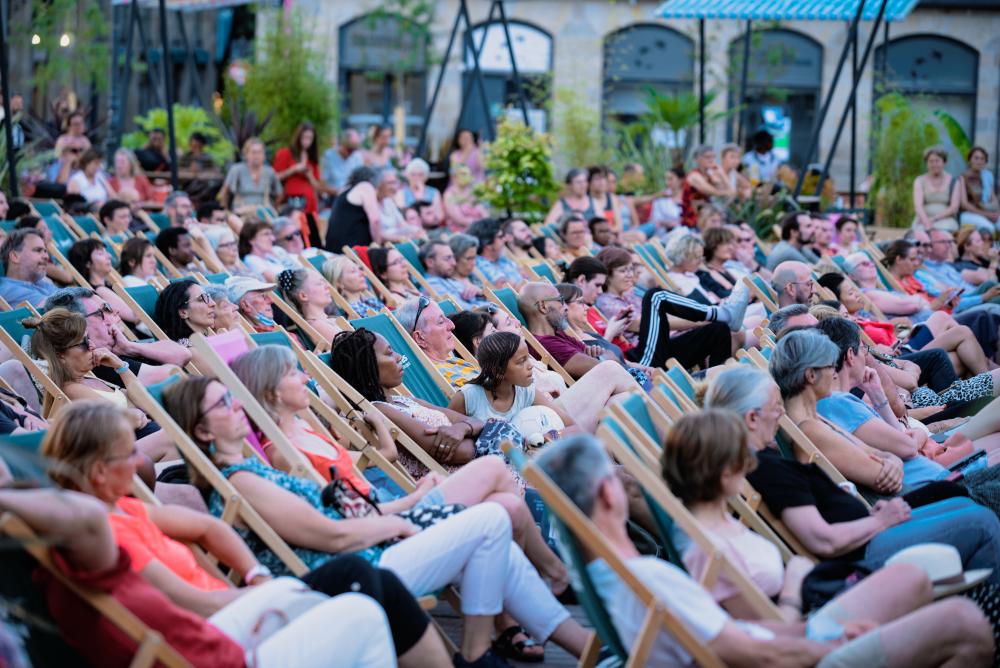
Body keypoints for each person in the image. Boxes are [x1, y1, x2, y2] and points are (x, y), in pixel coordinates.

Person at [164, 370, 589, 666]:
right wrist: (396, 523)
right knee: (491, 521)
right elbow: (330, 537)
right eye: (223, 403)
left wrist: (400, 513)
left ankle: (585, 647)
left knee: (493, 539)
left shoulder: (255, 470)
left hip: (373, 547)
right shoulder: (243, 480)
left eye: (232, 396)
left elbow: (337, 518)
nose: (236, 405)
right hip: (360, 568)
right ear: (203, 431)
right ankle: (478, 654)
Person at [537, 432, 994, 668]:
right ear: (608, 493)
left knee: (908, 576)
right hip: (788, 661)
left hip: (782, 642)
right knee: (963, 620)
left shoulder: (611, 575)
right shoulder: (649, 580)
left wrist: (802, 629)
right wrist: (827, 641)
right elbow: (759, 657)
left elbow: (736, 635)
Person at [44, 399, 447, 666]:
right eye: (129, 452)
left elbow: (208, 526)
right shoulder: (108, 536)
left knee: (368, 583)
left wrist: (256, 574)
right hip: (216, 629)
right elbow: (197, 604)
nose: (141, 460)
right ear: (99, 472)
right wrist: (273, 592)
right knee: (357, 589)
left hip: (234, 607)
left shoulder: (125, 508)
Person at [0, 484, 401, 668]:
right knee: (360, 613)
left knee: (293, 589)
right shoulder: (79, 556)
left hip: (191, 637)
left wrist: (255, 575)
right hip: (201, 654)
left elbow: (208, 529)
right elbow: (88, 517)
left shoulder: (47, 566)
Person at [704, 362, 1000, 586]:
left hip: (867, 530)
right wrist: (878, 521)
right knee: (981, 521)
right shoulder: (764, 468)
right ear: (752, 418)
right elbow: (823, 541)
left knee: (965, 503)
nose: (781, 414)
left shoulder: (762, 460)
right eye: (774, 408)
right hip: (862, 553)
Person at [662, 410, 937, 623]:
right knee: (925, 581)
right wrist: (793, 580)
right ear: (725, 472)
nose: (750, 463)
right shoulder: (704, 547)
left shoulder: (721, 520)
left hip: (820, 594)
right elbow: (769, 635)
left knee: (921, 576)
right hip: (812, 619)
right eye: (742, 457)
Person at [22, 308, 176, 462]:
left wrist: (120, 366)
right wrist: (135, 413)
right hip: (121, 456)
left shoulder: (88, 378)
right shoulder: (71, 390)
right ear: (60, 355)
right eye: (84, 342)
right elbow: (129, 419)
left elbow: (145, 404)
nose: (93, 345)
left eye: (89, 338)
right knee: (172, 439)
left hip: (143, 442)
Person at [589, 248, 745, 369]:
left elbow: (661, 320)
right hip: (645, 358)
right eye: (623, 271)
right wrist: (702, 321)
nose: (630, 274)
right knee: (655, 295)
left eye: (631, 269)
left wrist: (704, 322)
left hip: (664, 347)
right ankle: (719, 313)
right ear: (607, 275)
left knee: (719, 330)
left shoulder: (630, 294)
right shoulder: (606, 302)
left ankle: (718, 382)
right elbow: (644, 324)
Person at [817, 271, 992, 376]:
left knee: (956, 343)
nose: (857, 295)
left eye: (855, 291)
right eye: (850, 293)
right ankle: (991, 379)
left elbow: (891, 335)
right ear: (838, 300)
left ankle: (990, 377)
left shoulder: (863, 316)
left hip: (904, 344)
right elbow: (875, 352)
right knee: (961, 332)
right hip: (900, 358)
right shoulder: (849, 325)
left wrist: (901, 330)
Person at [42, 287, 191, 388]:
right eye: (103, 311)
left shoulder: (119, 347)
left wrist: (130, 347)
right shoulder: (99, 363)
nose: (114, 312)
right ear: (78, 324)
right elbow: (172, 375)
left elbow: (182, 353)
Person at [449, 331, 576, 430]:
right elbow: (446, 430)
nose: (530, 365)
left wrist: (553, 436)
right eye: (521, 361)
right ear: (498, 371)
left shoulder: (527, 391)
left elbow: (569, 424)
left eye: (528, 358)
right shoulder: (468, 397)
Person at [395, 296, 480, 388]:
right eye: (441, 322)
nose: (452, 325)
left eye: (445, 317)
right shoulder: (440, 379)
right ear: (420, 338)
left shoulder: (452, 361)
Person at [917, 229, 1000, 312]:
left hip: (969, 299)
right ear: (967, 246)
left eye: (950, 242)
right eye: (943, 242)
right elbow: (949, 301)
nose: (948, 245)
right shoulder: (924, 272)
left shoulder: (946, 266)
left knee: (991, 286)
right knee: (990, 286)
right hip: (961, 307)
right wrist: (984, 297)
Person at [65, 239, 137, 324]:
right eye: (100, 253)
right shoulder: (100, 291)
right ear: (87, 263)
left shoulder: (105, 286)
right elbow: (136, 316)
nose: (109, 256)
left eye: (106, 252)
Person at [218, 137, 282, 216]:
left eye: (260, 152)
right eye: (253, 152)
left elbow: (279, 194)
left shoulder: (270, 172)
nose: (257, 156)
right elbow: (224, 192)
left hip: (264, 214)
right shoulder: (237, 170)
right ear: (246, 154)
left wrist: (273, 208)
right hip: (241, 213)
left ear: (264, 155)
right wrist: (225, 211)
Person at [272, 122, 325, 216]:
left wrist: (309, 175)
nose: (306, 141)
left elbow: (318, 187)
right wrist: (294, 169)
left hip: (309, 203)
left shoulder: (312, 158)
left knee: (309, 224)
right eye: (304, 137)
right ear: (298, 137)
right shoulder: (285, 153)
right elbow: (274, 177)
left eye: (310, 138)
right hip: (291, 201)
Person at [325, 166, 383, 251]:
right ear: (372, 179)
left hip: (334, 248)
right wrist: (377, 246)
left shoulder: (344, 190)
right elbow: (375, 220)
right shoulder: (365, 186)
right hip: (352, 250)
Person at [421, 240, 489, 309]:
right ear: (430, 262)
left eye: (453, 257)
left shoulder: (446, 279)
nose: (454, 263)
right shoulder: (432, 284)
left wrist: (480, 294)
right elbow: (464, 309)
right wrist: (491, 306)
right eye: (447, 258)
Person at [0, 228, 56, 307]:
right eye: (38, 250)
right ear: (15, 256)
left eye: (45, 251)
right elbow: (60, 309)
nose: (46, 256)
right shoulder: (9, 291)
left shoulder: (42, 283)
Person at [153, 279, 216, 347]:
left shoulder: (204, 343)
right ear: (183, 312)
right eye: (201, 299)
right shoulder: (190, 349)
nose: (213, 303)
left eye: (208, 297)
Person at [681, 145, 732, 229]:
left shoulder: (710, 175)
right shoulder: (694, 176)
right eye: (707, 157)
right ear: (697, 159)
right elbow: (716, 192)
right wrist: (721, 180)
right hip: (693, 221)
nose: (711, 160)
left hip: (709, 218)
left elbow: (730, 194)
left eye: (713, 157)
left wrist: (722, 174)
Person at [913, 146, 961, 232]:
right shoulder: (919, 180)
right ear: (927, 163)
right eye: (931, 161)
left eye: (937, 161)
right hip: (923, 219)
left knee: (943, 233)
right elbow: (918, 207)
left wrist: (934, 219)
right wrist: (926, 222)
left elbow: (954, 207)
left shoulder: (954, 181)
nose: (934, 164)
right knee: (920, 233)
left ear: (944, 162)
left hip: (946, 219)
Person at [469, 218, 525, 288]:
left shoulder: (502, 259)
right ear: (488, 244)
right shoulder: (479, 264)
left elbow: (525, 276)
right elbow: (505, 287)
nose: (505, 239)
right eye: (501, 237)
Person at [959, 147, 999, 233]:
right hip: (969, 214)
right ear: (970, 160)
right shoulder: (962, 177)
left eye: (982, 159)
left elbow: (993, 198)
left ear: (985, 161)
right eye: (976, 158)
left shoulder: (987, 176)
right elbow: (964, 204)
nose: (979, 161)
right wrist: (986, 215)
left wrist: (997, 213)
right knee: (989, 228)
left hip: (988, 211)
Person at [379, 168, 424, 243]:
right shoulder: (373, 203)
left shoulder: (388, 201)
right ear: (379, 184)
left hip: (398, 240)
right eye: (390, 183)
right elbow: (380, 235)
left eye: (395, 183)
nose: (394, 187)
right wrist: (405, 238)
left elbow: (402, 224)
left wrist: (417, 230)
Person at [443, 164, 488, 233]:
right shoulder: (449, 195)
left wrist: (486, 222)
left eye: (469, 174)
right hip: (459, 232)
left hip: (479, 228)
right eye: (463, 174)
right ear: (454, 177)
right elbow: (459, 219)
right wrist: (480, 224)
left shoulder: (472, 192)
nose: (467, 177)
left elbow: (483, 211)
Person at [321, 128, 364, 195]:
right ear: (342, 144)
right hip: (333, 196)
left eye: (355, 149)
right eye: (350, 149)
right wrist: (339, 192)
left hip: (352, 196)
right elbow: (322, 185)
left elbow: (361, 181)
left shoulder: (357, 157)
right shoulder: (329, 156)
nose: (352, 153)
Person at [648, 168, 685, 235]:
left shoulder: (688, 197)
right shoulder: (660, 199)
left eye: (670, 179)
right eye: (665, 179)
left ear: (680, 180)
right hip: (665, 235)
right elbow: (655, 221)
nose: (667, 183)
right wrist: (668, 223)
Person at [588, 166, 621, 231]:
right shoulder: (586, 200)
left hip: (611, 233)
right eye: (597, 179)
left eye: (603, 178)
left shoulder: (611, 198)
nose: (601, 182)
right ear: (589, 182)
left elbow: (619, 225)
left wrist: (608, 232)